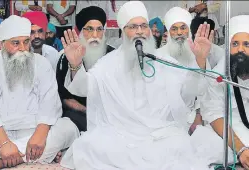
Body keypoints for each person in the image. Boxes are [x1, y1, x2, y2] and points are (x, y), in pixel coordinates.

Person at [60, 1, 214, 169]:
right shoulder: (108, 63)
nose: (140, 31)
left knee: (180, 145)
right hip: (120, 132)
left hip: (160, 133)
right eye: (133, 26)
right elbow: (84, 88)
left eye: (143, 26)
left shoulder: (165, 62)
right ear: (123, 31)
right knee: (86, 145)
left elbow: (188, 95)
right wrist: (75, 65)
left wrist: (200, 60)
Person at [0, 15, 79, 170]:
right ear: (1, 44)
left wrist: (40, 135)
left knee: (69, 128)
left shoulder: (41, 63)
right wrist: (3, 143)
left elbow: (50, 102)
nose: (22, 48)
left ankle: (1, 161)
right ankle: (27, 156)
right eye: (15, 43)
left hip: (34, 132)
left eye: (26, 42)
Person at [191, 15, 249, 170]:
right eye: (235, 44)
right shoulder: (221, 71)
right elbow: (213, 111)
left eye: (247, 44)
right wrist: (241, 149)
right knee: (201, 142)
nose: (240, 49)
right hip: (233, 130)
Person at [157, 7, 224, 135]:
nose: (179, 33)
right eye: (174, 29)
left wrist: (198, 115)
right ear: (168, 32)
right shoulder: (158, 57)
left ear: (188, 30)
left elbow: (206, 90)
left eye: (183, 28)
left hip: (195, 117)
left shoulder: (197, 54)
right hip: (164, 119)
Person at [56, 6, 114, 132]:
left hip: (109, 117)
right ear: (80, 31)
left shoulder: (113, 55)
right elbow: (64, 97)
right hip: (77, 117)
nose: (95, 35)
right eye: (89, 29)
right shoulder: (66, 57)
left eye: (99, 29)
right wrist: (89, 111)